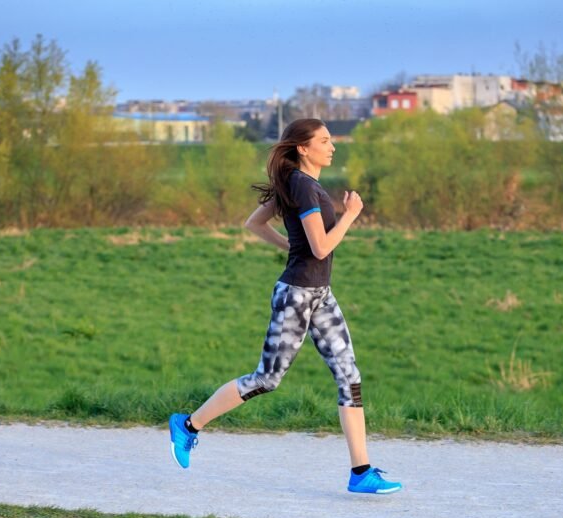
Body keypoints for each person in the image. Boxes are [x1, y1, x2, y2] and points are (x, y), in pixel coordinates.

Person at [168, 118, 401, 494]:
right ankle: (188, 424)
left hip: (319, 293)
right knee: (267, 379)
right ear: (303, 148)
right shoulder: (303, 188)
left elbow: (254, 223)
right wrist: (350, 217)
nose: (333, 146)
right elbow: (322, 247)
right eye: (325, 141)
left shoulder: (297, 184)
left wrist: (294, 249)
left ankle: (361, 473)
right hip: (296, 295)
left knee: (349, 378)